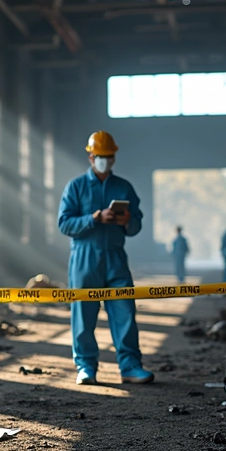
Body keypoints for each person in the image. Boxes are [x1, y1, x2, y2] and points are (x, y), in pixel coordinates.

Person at [58, 131, 152, 385]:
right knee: (83, 315)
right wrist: (94, 218)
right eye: (99, 156)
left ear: (113, 158)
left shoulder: (124, 187)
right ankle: (86, 366)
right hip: (84, 259)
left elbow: (137, 225)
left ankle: (130, 366)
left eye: (108, 156)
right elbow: (64, 223)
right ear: (90, 156)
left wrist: (127, 221)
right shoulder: (75, 187)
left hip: (115, 258)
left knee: (124, 313)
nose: (103, 160)